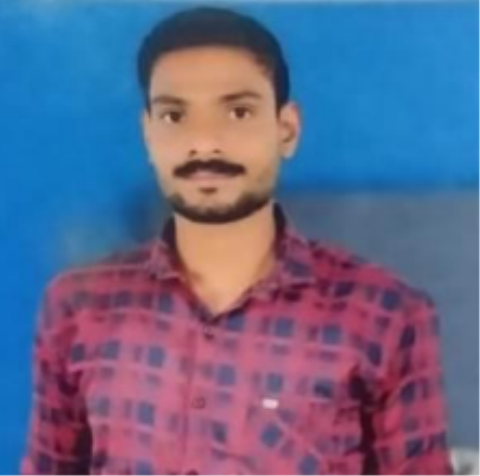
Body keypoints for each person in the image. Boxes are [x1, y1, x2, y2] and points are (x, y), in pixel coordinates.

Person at [20, 6, 454, 476]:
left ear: (287, 129)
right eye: (174, 116)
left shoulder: (383, 314)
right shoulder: (79, 307)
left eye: (238, 111)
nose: (205, 142)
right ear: (148, 134)